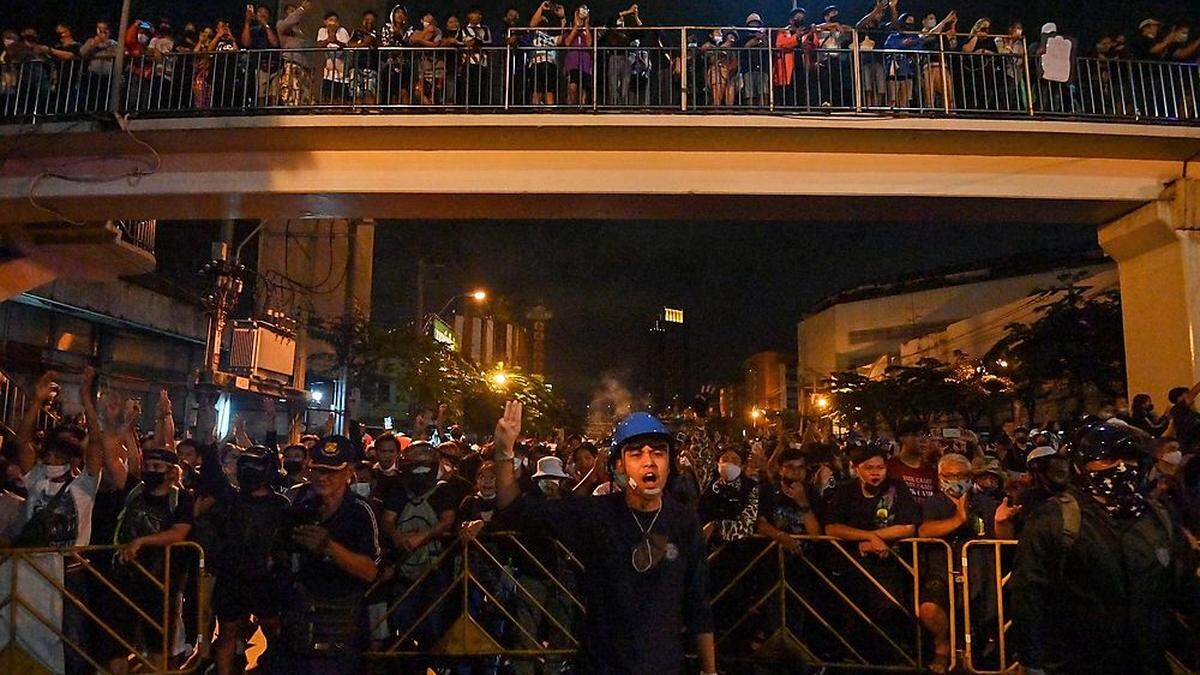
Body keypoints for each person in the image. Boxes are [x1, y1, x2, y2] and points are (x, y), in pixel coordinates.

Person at [482, 404, 717, 674]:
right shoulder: (596, 514)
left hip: (664, 665)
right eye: (637, 453)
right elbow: (513, 509)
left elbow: (699, 602)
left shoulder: (684, 521)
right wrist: (504, 452)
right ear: (618, 465)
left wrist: (709, 670)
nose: (649, 461)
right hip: (603, 664)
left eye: (658, 453)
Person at [1010, 421, 1196, 674]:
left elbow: (1182, 585)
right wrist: (1033, 661)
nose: (1120, 467)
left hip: (1148, 659)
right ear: (1080, 467)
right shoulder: (1055, 519)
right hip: (1076, 662)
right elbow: (1029, 593)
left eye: (1128, 460)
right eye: (1107, 460)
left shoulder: (1157, 517)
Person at [265, 435, 380, 674]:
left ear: (348, 472)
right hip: (297, 621)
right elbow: (277, 558)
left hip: (340, 624)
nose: (323, 477)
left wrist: (329, 547)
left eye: (331, 471)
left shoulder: (360, 511)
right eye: (317, 470)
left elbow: (370, 571)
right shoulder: (299, 505)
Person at [824, 438, 920, 656]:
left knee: (890, 613)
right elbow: (832, 527)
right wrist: (867, 538)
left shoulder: (897, 488)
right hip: (852, 565)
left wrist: (873, 540)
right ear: (857, 469)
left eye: (880, 467)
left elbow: (907, 527)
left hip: (891, 565)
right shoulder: (845, 491)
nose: (876, 473)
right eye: (869, 468)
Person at [107, 446, 194, 674]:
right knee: (117, 641)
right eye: (148, 466)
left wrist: (143, 542)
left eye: (157, 467)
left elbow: (179, 533)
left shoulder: (180, 498)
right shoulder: (135, 491)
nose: (150, 470)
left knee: (157, 640)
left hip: (161, 580)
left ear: (171, 472)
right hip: (126, 576)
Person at [916, 453, 1001, 672]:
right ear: (940, 477)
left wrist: (1003, 520)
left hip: (980, 569)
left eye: (962, 475)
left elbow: (1000, 534)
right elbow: (925, 530)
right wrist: (958, 520)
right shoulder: (933, 502)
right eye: (950, 475)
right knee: (929, 608)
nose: (956, 480)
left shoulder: (985, 502)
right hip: (942, 568)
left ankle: (978, 654)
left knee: (987, 610)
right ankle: (942, 646)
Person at [887, 420, 937, 504]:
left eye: (927, 436)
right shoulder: (889, 467)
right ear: (902, 438)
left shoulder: (932, 471)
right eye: (918, 435)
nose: (924, 440)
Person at [527, 1, 566, 105]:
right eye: (541, 20)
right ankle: (535, 114)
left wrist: (562, 18)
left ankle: (549, 114)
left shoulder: (551, 37)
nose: (543, 21)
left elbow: (561, 40)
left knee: (549, 91)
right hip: (537, 63)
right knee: (536, 92)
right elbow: (532, 25)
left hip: (550, 64)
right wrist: (541, 8)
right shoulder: (535, 34)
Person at [276, 1, 312, 106]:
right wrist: (301, 9)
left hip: (303, 65)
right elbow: (287, 23)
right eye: (291, 12)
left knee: (302, 93)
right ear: (285, 14)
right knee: (291, 91)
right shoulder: (281, 24)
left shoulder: (300, 31)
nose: (294, 14)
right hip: (291, 63)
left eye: (294, 11)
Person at [561, 6, 592, 106]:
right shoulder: (569, 28)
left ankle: (581, 111)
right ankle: (573, 109)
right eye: (580, 12)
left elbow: (589, 43)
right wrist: (576, 26)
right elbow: (567, 42)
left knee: (584, 91)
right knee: (572, 87)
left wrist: (586, 24)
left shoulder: (587, 30)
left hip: (585, 64)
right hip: (573, 63)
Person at [316, 10, 350, 103]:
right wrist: (328, 40)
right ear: (325, 22)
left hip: (341, 71)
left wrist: (335, 41)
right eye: (331, 20)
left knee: (341, 97)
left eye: (336, 20)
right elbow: (320, 44)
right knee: (328, 96)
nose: (333, 23)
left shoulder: (342, 31)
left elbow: (347, 46)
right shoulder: (322, 31)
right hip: (328, 72)